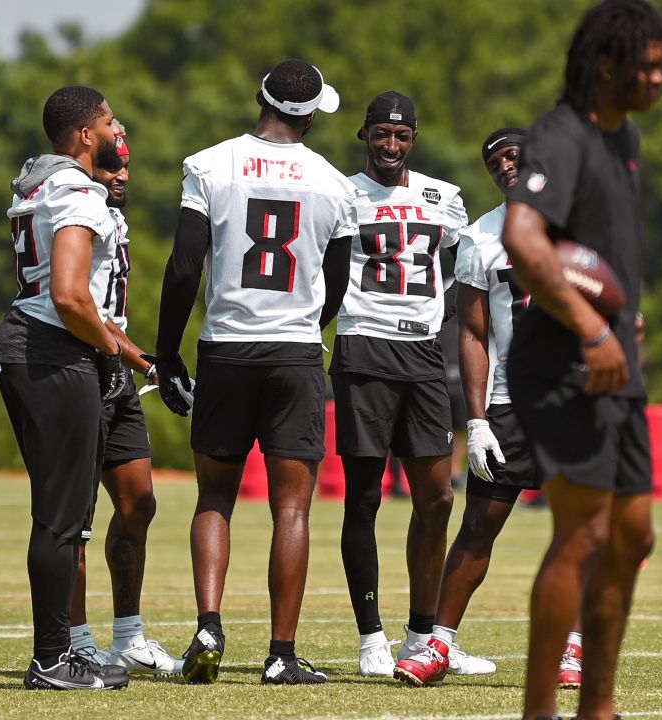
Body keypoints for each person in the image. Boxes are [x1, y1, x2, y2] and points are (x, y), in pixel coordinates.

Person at [498, 2, 662, 718]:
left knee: (634, 536)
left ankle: (597, 705)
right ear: (606, 64)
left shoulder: (624, 134)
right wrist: (591, 329)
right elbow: (524, 236)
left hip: (617, 365)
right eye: (649, 64)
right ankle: (542, 710)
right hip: (565, 364)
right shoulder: (561, 135)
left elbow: (597, 252)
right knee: (586, 533)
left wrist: (622, 323)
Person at [154, 59, 358, 686]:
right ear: (312, 113)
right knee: (291, 509)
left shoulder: (209, 164)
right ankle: (281, 654)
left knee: (214, 494)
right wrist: (300, 328)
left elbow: (185, 265)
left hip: (227, 346)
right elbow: (339, 284)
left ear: (260, 99)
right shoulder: (334, 182)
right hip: (294, 351)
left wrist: (167, 354)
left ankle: (209, 625)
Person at [318, 91, 470, 684]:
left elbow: (468, 270)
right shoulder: (343, 194)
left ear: (414, 139)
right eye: (380, 134)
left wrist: (443, 314)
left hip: (424, 355)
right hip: (363, 350)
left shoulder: (444, 199)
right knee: (363, 498)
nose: (390, 145)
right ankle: (371, 637)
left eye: (401, 137)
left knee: (436, 498)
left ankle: (423, 635)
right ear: (364, 135)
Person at [0, 85, 132, 691]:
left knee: (60, 515)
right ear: (83, 136)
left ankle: (60, 654)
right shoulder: (77, 191)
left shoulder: (40, 183)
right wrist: (115, 349)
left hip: (28, 347)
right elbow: (71, 296)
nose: (117, 129)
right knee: (60, 519)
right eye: (108, 121)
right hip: (53, 352)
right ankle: (52, 659)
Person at [66, 129, 183, 675]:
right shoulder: (77, 211)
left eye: (125, 171)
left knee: (139, 502)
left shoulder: (113, 218)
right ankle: (76, 640)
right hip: (80, 367)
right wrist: (148, 362)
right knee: (76, 518)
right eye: (113, 170)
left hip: (114, 372)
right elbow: (85, 307)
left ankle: (128, 636)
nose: (123, 179)